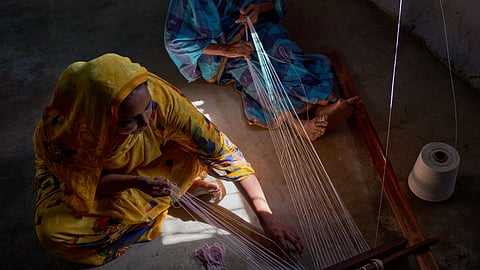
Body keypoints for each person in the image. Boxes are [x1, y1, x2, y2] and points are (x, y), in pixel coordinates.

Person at [33, 53, 303, 266]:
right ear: (100, 120)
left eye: (147, 108)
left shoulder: (165, 104)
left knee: (194, 150)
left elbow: (224, 154)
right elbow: (89, 184)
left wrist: (266, 216)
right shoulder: (71, 132)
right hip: (107, 182)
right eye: (129, 120)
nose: (145, 122)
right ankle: (170, 196)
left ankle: (170, 194)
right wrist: (136, 183)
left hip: (163, 164)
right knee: (55, 234)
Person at [164, 0, 361, 141]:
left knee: (284, 53)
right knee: (254, 73)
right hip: (220, 47)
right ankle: (297, 125)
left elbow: (278, 3)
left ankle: (320, 107)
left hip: (258, 25)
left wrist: (259, 7)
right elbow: (175, 41)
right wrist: (226, 50)